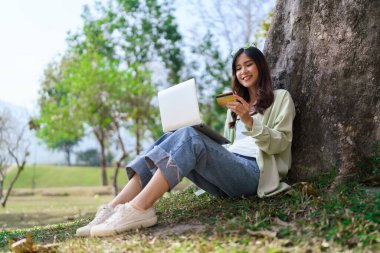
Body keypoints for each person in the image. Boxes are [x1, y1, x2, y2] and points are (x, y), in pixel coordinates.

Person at [76, 44, 296, 237]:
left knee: (189, 137)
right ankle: (114, 208)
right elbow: (230, 146)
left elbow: (280, 143)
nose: (243, 71)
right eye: (238, 68)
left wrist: (249, 120)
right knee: (175, 135)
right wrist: (213, 136)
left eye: (248, 65)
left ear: (260, 66)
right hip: (227, 173)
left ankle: (139, 209)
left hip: (255, 173)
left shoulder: (281, 98)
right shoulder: (235, 107)